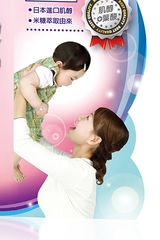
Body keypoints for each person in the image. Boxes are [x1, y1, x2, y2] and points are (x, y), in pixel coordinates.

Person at [13, 66, 129, 219]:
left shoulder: (79, 173)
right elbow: (37, 139)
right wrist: (32, 94)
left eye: (88, 118)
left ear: (94, 139)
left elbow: (21, 143)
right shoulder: (73, 165)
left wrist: (22, 87)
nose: (80, 116)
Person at [13, 41, 91, 182]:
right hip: (15, 101)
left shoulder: (49, 69)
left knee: (31, 135)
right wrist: (39, 106)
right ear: (59, 65)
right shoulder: (48, 72)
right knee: (27, 137)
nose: (70, 84)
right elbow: (24, 83)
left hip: (18, 101)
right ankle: (12, 165)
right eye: (71, 78)